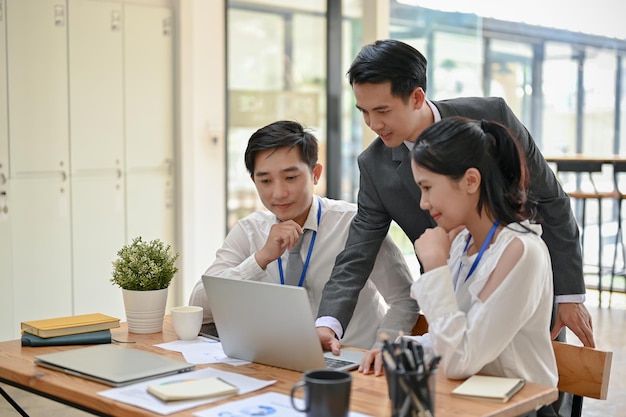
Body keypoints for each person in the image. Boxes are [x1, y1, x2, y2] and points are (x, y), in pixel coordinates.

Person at [316, 39, 594, 355]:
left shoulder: (490, 117)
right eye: (364, 112)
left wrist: (569, 295)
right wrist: (328, 322)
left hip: (519, 285)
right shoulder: (374, 164)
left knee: (534, 374)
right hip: (450, 298)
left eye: (382, 110)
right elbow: (358, 251)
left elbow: (550, 200)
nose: (373, 124)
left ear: (417, 97)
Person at [360, 117, 558, 398]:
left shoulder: (521, 251)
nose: (423, 203)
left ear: (470, 181)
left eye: (427, 187)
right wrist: (400, 349)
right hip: (467, 399)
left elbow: (459, 360)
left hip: (515, 407)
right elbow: (450, 336)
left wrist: (435, 267)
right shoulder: (462, 242)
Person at [188, 120, 419, 350]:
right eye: (265, 181)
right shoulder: (249, 231)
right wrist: (260, 260)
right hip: (278, 362)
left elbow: (404, 299)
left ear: (315, 174)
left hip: (350, 361)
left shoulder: (355, 224)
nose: (278, 193)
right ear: (254, 182)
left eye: (290, 177)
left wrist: (380, 351)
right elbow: (198, 303)